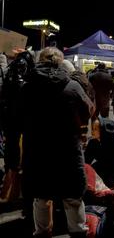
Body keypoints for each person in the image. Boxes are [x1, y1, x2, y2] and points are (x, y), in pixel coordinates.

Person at [19, 47, 94, 238]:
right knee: (72, 197)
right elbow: (88, 110)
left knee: (41, 196)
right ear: (61, 62)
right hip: (67, 149)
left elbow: (16, 117)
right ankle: (77, 232)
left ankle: (42, 232)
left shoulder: (27, 87)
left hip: (37, 150)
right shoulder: (72, 86)